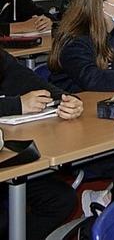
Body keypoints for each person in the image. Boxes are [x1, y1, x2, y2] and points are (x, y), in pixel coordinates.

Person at [0, 48, 83, 239]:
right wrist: (17, 105)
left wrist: (69, 101)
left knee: (61, 199)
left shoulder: (3, 59)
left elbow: (39, 86)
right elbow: (19, 103)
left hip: (8, 161)